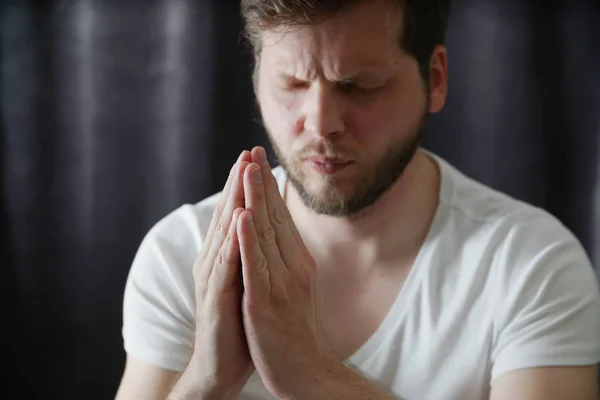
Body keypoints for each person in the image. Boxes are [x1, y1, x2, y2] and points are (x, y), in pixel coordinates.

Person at [115, 0, 600, 399]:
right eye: (293, 84)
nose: (321, 122)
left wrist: (310, 373)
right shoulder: (183, 253)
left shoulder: (532, 265)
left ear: (435, 78)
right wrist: (207, 379)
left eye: (360, 87)